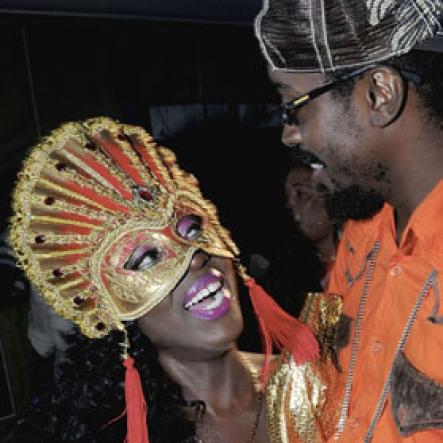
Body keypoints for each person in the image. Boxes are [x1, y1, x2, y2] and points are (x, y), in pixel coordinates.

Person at [4, 117, 328, 443]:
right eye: (147, 258)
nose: (193, 255)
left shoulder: (324, 384)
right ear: (113, 311)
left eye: (192, 229)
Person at [255, 1, 443, 442]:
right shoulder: (362, 233)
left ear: (379, 94)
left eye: (293, 106)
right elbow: (307, 377)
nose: (290, 134)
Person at [284, 150, 336, 288]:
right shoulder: (301, 274)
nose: (290, 205)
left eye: (300, 194)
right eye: (287, 197)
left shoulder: (366, 264)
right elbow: (324, 310)